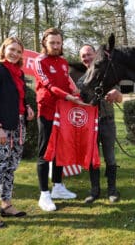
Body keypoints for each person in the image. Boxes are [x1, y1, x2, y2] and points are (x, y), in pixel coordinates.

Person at [0, 37, 35, 229]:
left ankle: (6, 204)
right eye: (11, 49)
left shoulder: (19, 73)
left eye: (19, 51)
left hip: (19, 125)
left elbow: (17, 97)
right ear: (4, 50)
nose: (15, 54)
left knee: (11, 167)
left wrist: (27, 107)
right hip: (1, 128)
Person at [33, 27, 85, 211]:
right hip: (47, 111)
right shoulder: (39, 61)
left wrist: (76, 93)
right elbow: (49, 86)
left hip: (63, 112)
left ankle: (58, 187)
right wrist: (69, 97)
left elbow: (67, 83)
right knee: (45, 152)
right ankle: (44, 195)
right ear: (44, 43)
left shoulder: (63, 62)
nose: (55, 46)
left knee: (60, 150)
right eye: (52, 43)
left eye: (58, 43)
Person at [78, 44, 122, 204]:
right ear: (81, 60)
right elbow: (77, 103)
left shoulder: (108, 74)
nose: (87, 58)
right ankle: (94, 190)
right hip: (90, 125)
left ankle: (112, 190)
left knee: (110, 157)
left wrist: (116, 94)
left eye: (89, 54)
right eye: (83, 56)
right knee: (92, 158)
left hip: (108, 122)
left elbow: (120, 98)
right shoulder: (81, 81)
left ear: (96, 54)